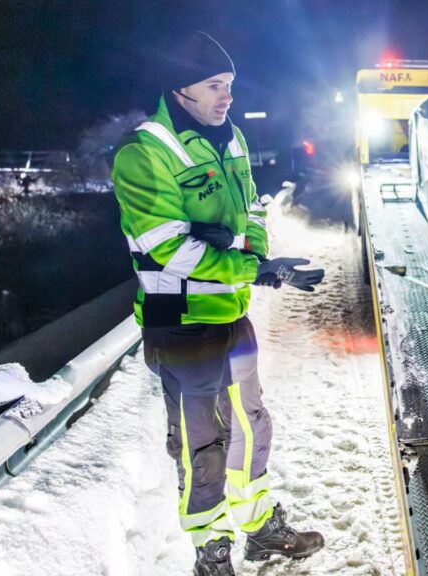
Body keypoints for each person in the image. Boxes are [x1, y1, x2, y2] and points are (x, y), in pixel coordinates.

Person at [111, 30, 325, 576]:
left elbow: (252, 208)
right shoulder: (144, 153)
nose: (227, 95)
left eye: (229, 83)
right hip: (179, 324)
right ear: (182, 89)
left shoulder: (230, 138)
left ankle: (258, 528)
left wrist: (252, 251)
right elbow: (168, 250)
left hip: (230, 312)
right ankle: (210, 550)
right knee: (201, 444)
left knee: (253, 423)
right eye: (215, 85)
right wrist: (254, 267)